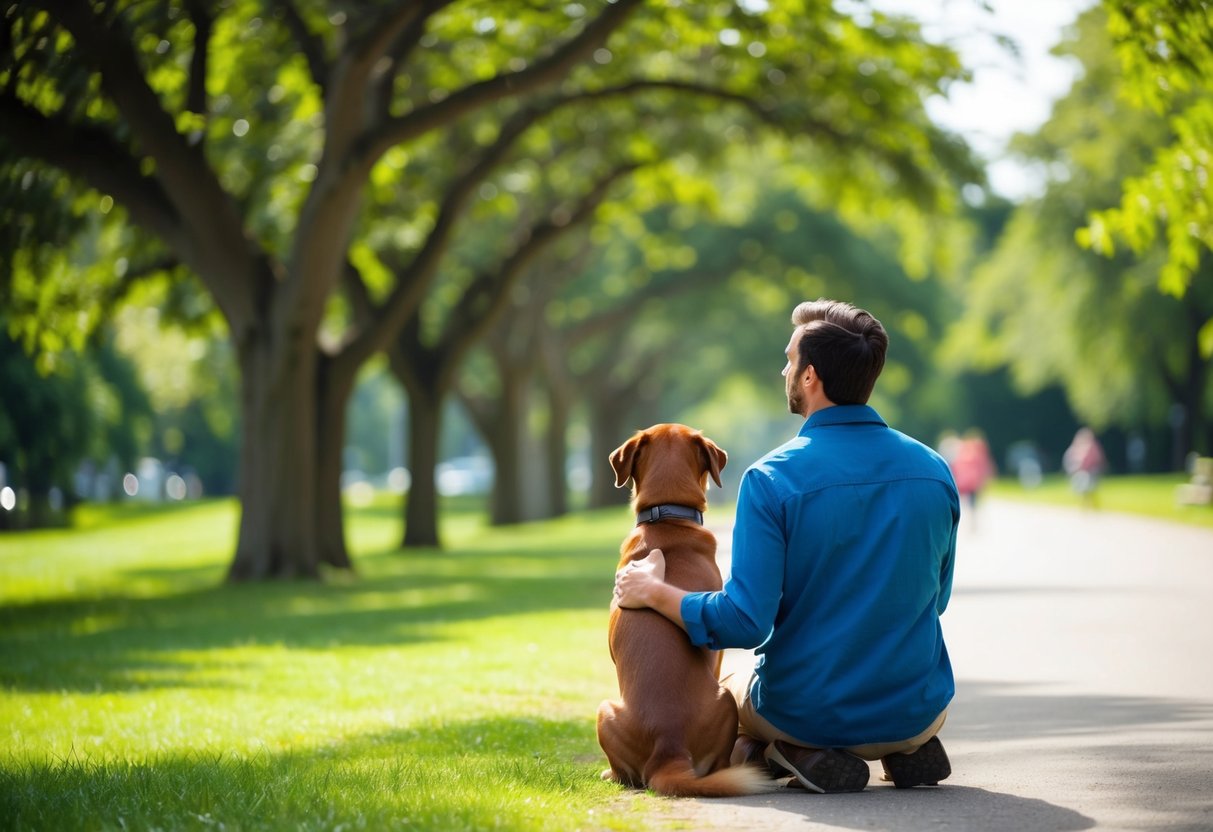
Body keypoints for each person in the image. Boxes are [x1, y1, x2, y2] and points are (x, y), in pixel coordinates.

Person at [614, 299, 959, 794]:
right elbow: (938, 599)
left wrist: (655, 593)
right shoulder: (934, 470)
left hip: (812, 714)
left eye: (789, 359)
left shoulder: (771, 478)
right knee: (898, 711)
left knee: (728, 693)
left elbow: (744, 623)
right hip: (920, 711)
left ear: (810, 377)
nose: (783, 369)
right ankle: (905, 747)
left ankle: (794, 751)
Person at [1063, 427, 1106, 507]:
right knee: (1086, 492)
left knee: (1090, 492)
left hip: (1090, 472)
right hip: (1083, 473)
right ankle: (1088, 508)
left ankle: (1091, 508)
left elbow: (1097, 459)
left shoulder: (1091, 447)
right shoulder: (1077, 448)